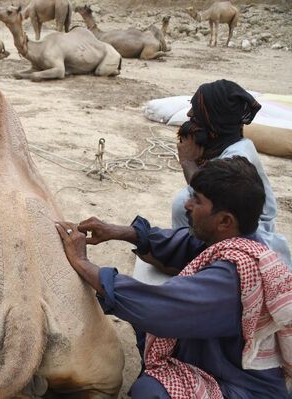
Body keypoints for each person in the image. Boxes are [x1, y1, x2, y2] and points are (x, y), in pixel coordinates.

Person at [56, 157, 292, 398]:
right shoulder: (238, 242)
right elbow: (182, 243)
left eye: (197, 201)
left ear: (224, 221)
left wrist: (83, 263)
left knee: (150, 390)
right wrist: (119, 232)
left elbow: (158, 309)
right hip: (220, 362)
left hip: (242, 387)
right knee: (146, 329)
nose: (187, 205)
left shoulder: (235, 276)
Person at [173, 79, 291, 269]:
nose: (189, 114)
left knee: (184, 203)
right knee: (186, 201)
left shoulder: (238, 154)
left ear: (214, 116)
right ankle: (188, 257)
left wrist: (187, 162)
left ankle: (196, 264)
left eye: (196, 108)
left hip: (251, 234)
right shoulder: (221, 146)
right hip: (231, 228)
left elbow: (214, 193)